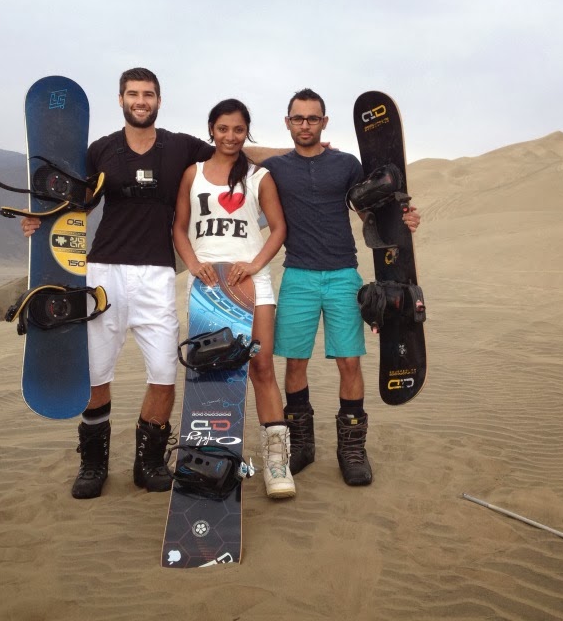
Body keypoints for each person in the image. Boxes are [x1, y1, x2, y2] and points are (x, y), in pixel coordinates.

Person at [21, 68, 281, 500]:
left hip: (158, 273)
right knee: (96, 372)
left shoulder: (179, 147)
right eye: (133, 94)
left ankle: (150, 462)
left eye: (148, 94)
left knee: (163, 373)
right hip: (104, 271)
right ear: (121, 99)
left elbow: (234, 149)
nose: (140, 101)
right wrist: (39, 222)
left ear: (159, 100)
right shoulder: (101, 150)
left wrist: (295, 151)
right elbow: (78, 205)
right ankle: (93, 464)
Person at [261, 88, 421, 487]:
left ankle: (351, 450)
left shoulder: (346, 164)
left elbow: (372, 209)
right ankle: (302, 444)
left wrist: (405, 221)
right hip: (297, 275)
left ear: (325, 122)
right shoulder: (276, 167)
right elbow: (238, 151)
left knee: (349, 362)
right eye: (298, 118)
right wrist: (278, 148)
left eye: (313, 118)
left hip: (342, 275)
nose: (305, 125)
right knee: (294, 363)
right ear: (287, 122)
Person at [172, 98, 294, 499]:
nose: (230, 136)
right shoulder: (192, 174)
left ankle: (276, 463)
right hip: (208, 286)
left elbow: (278, 228)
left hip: (252, 284)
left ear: (247, 132)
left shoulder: (259, 177)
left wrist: (255, 264)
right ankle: (211, 461)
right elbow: (179, 227)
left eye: (238, 129)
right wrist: (193, 264)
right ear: (211, 129)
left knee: (261, 365)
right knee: (211, 370)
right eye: (223, 128)